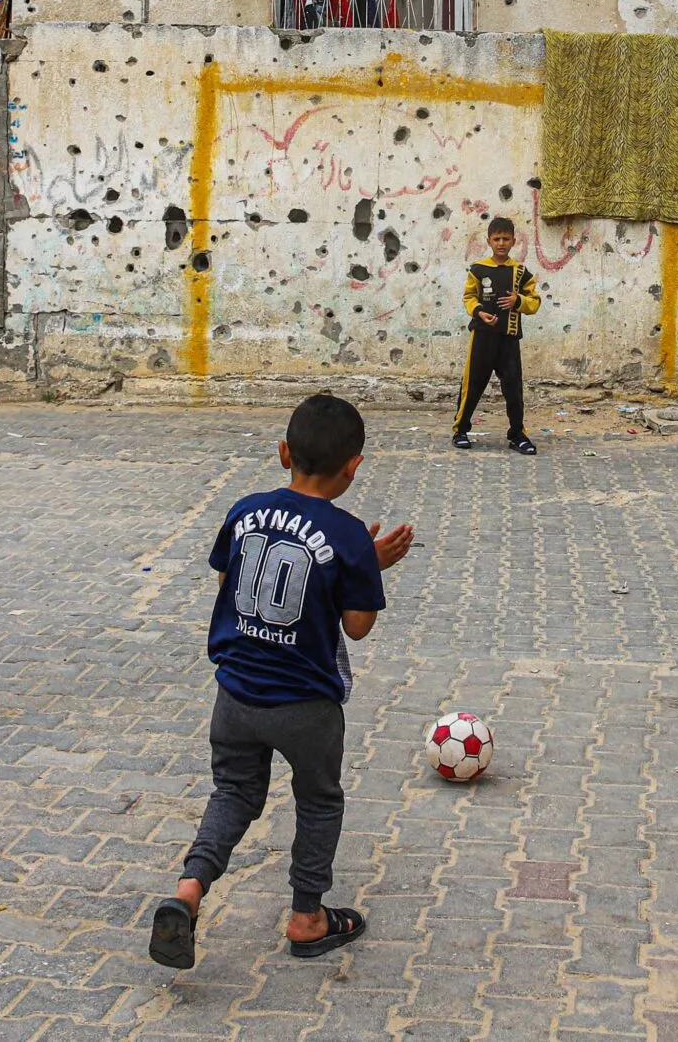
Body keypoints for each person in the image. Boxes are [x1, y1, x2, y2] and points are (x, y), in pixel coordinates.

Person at [149, 395, 415, 972]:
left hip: (237, 691)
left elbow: (227, 573)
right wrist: (365, 565)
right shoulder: (346, 535)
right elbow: (358, 627)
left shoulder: (246, 509)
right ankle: (307, 917)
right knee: (318, 802)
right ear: (354, 466)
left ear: (283, 452)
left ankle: (189, 890)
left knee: (235, 793)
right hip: (306, 703)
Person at [452, 215, 540, 454]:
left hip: (509, 338)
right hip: (482, 337)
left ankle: (517, 434)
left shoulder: (521, 273)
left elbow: (534, 302)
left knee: (513, 387)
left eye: (506, 239)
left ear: (514, 241)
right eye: (497, 239)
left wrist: (517, 301)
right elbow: (469, 297)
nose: (501, 243)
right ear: (489, 241)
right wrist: (479, 312)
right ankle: (460, 430)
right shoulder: (478, 269)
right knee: (473, 384)